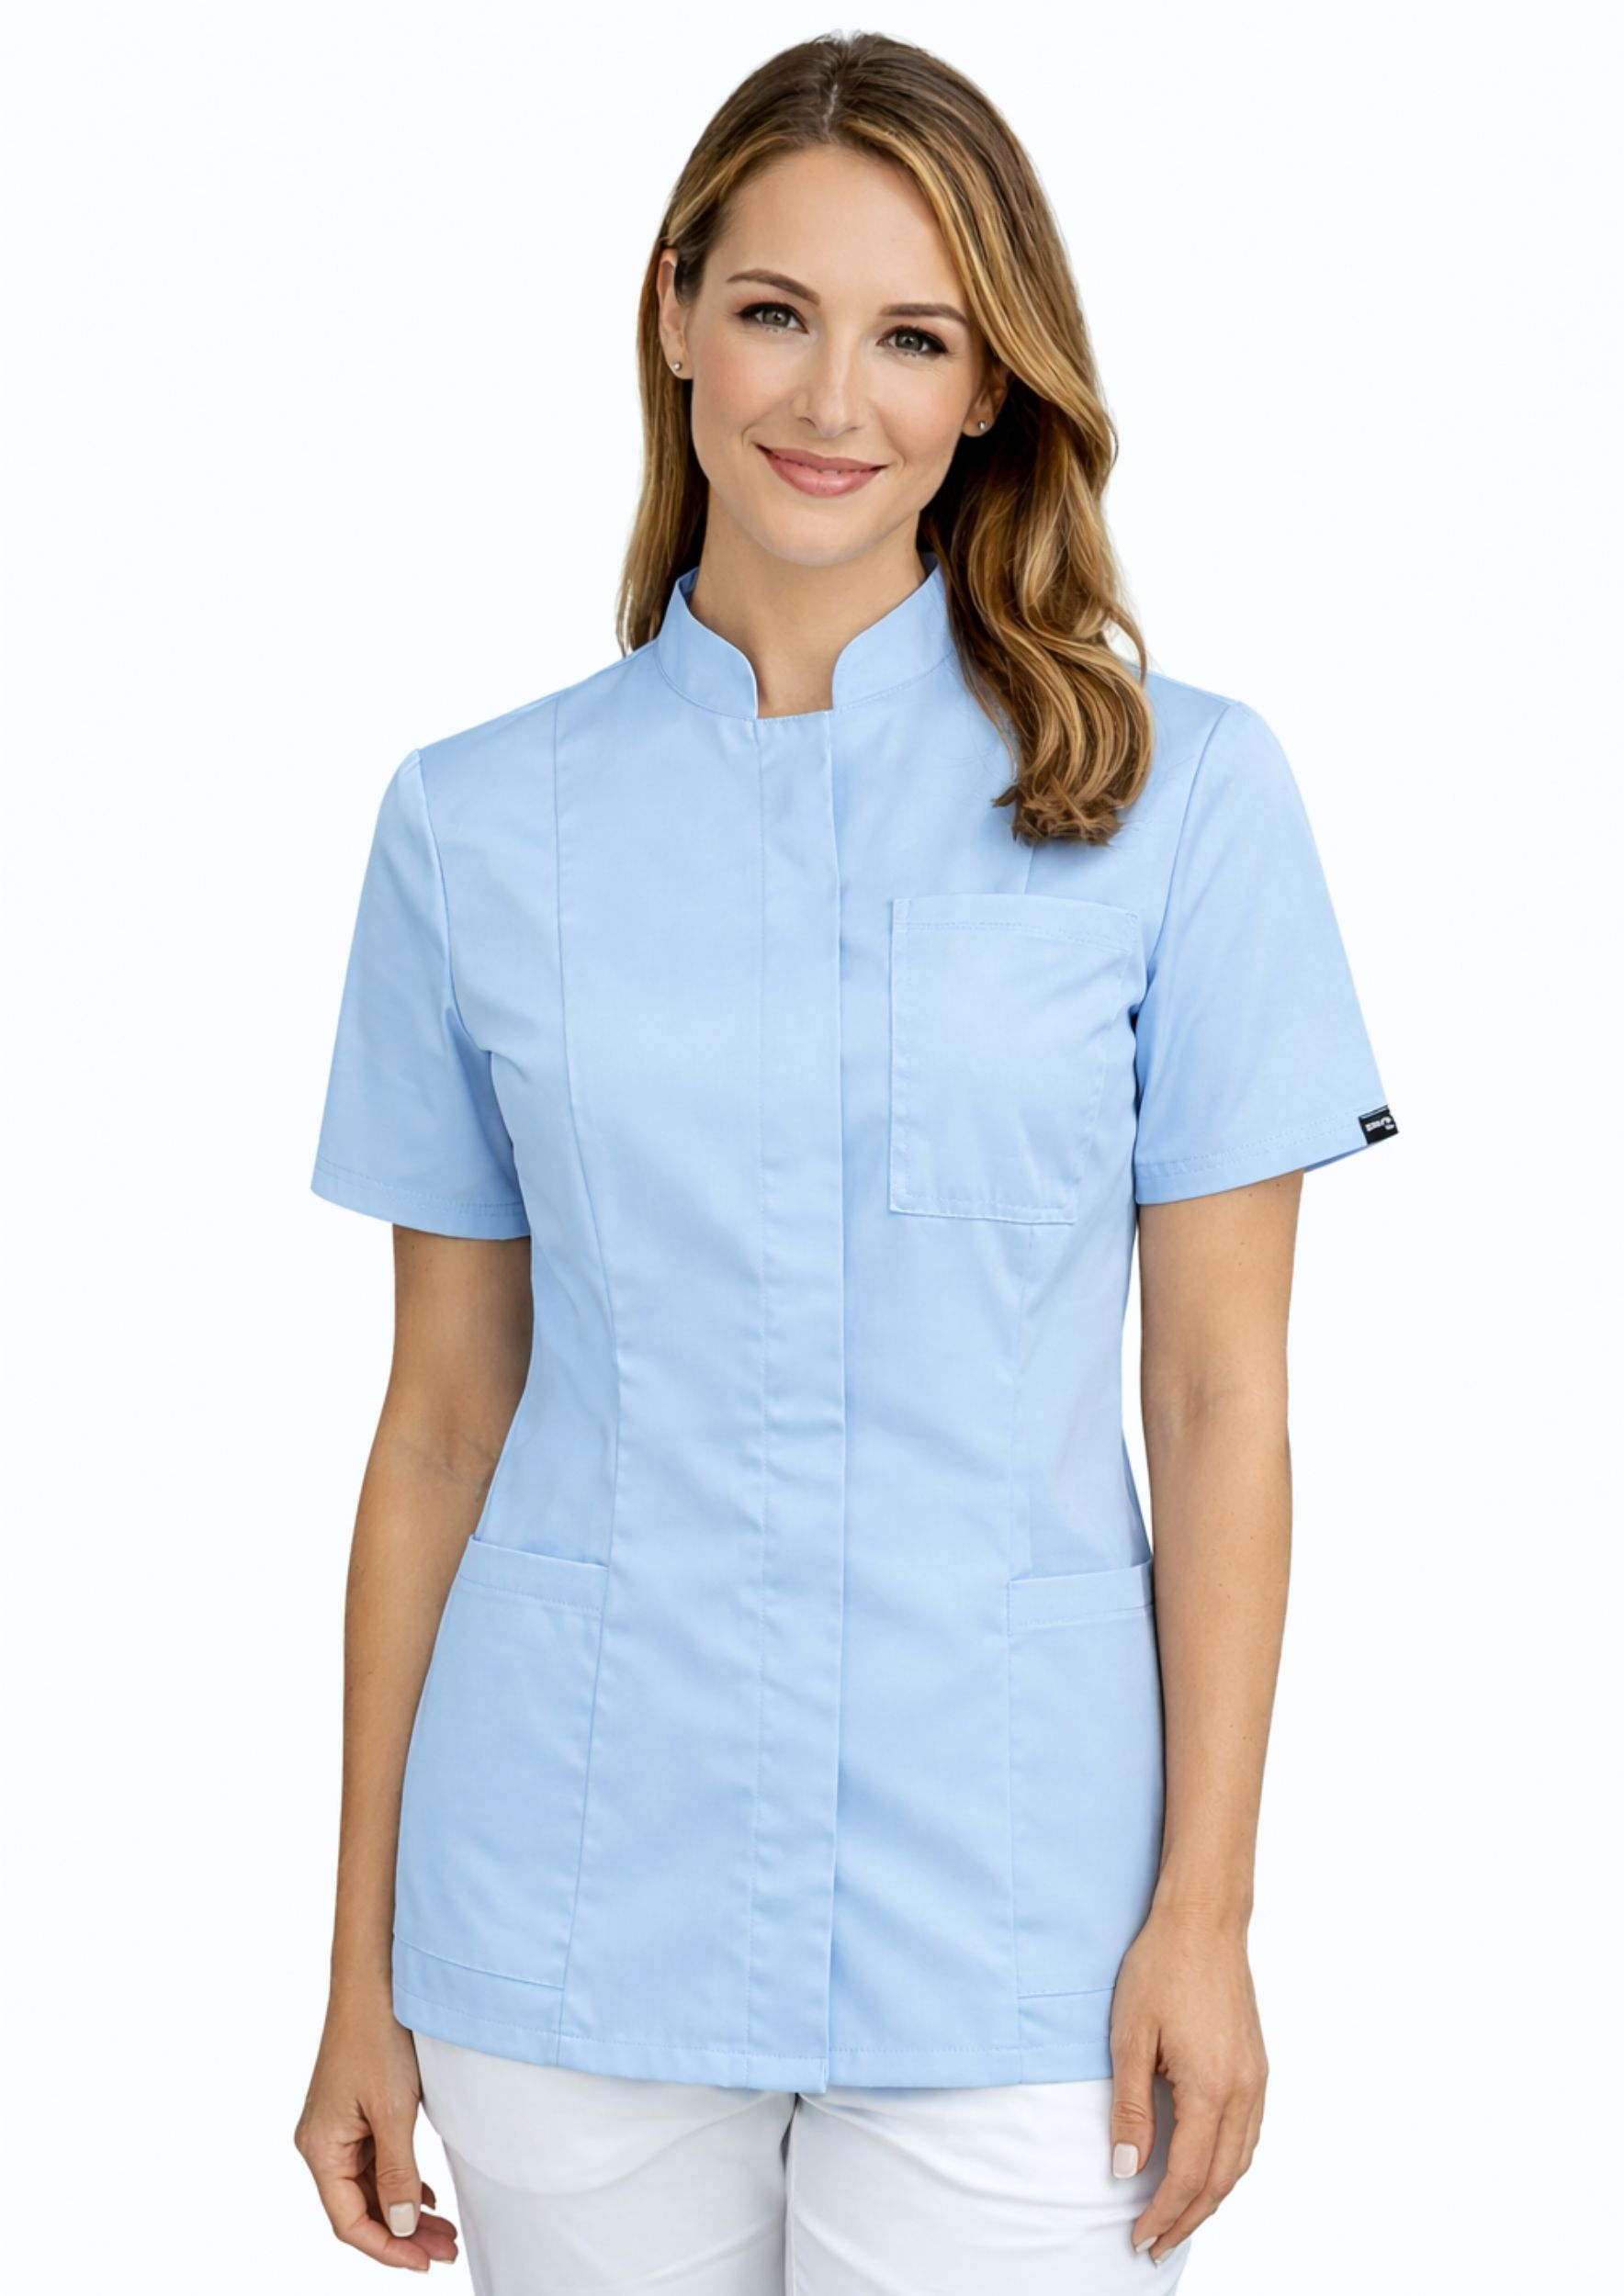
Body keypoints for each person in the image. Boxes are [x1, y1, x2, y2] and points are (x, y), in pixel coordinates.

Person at [293, 30, 1399, 2293]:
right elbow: (438, 1422)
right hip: (564, 1888)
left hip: (1015, 1901)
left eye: (912, 336)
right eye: (776, 311)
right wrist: (355, 1963)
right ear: (673, 314)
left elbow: (1219, 1399)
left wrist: (1206, 1909)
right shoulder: (475, 825)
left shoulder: (1182, 801)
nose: (830, 398)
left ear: (990, 386)